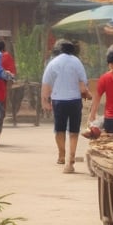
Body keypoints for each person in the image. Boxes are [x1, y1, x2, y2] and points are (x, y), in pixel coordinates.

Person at [41, 41, 89, 173]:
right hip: (74, 100)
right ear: (73, 50)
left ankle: (62, 155)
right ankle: (71, 159)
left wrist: (44, 101)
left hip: (58, 101)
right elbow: (83, 84)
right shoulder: (77, 62)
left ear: (60, 50)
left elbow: (46, 83)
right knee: (74, 131)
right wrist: (86, 95)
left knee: (59, 129)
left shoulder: (53, 63)